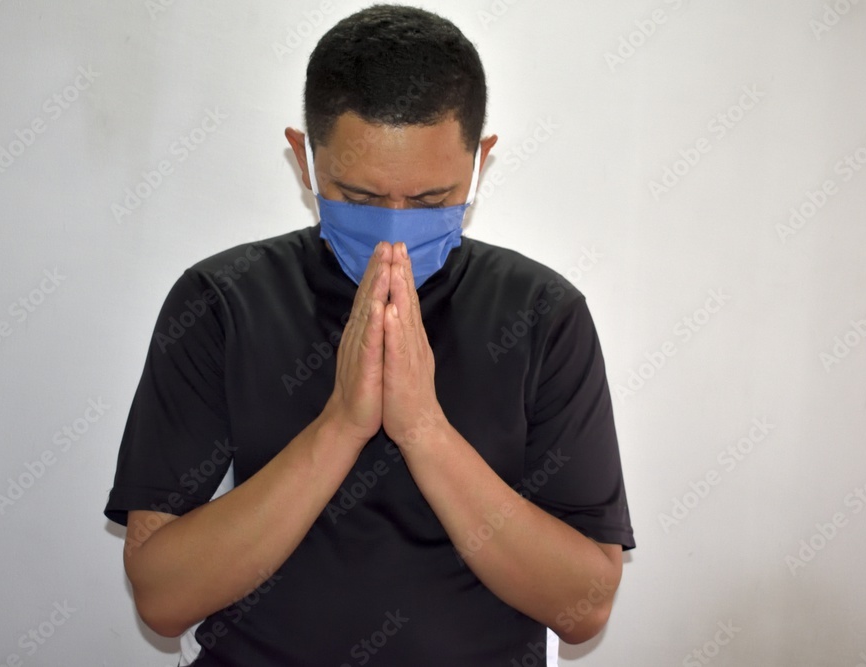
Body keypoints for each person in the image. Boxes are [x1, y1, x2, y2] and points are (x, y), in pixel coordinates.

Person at [103, 4, 635, 665]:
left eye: (429, 200)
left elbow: (584, 607)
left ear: (480, 162)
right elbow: (162, 596)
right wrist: (339, 426)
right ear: (304, 157)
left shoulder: (543, 315)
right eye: (357, 196)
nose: (393, 231)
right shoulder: (222, 302)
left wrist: (423, 430)